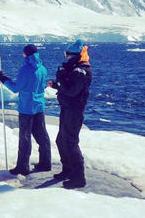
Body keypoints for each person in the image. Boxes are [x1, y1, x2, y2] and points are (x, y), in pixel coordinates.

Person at [0, 44, 51, 176]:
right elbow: (43, 87)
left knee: (25, 138)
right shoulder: (43, 69)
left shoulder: (25, 70)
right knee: (42, 136)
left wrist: (4, 79)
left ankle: (22, 167)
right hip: (39, 106)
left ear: (27, 54)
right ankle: (45, 163)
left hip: (27, 108)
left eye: (23, 53)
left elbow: (16, 88)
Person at [49, 39, 92, 189]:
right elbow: (67, 86)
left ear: (74, 55)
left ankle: (79, 178)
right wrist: (59, 80)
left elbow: (72, 91)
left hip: (74, 110)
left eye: (67, 55)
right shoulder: (74, 69)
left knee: (70, 143)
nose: (66, 57)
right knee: (61, 141)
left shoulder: (81, 71)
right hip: (66, 108)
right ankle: (67, 170)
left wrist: (58, 82)